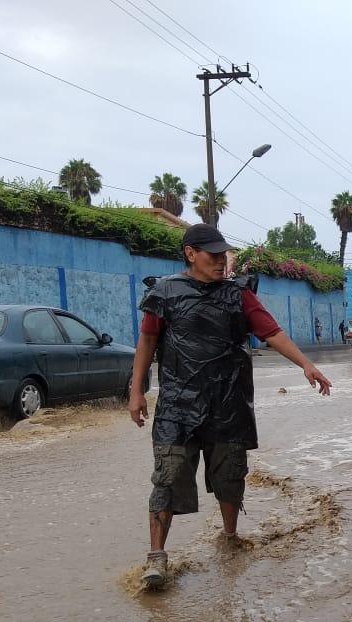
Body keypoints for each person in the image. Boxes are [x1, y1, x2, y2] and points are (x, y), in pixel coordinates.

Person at [128, 223, 333, 591]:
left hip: (229, 401)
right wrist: (137, 391)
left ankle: (229, 537)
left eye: (224, 255)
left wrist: (306, 364)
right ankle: (157, 556)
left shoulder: (239, 296)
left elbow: (272, 333)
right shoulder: (165, 294)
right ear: (191, 254)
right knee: (168, 476)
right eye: (213, 255)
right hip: (178, 403)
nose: (221, 262)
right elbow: (147, 341)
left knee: (229, 476)